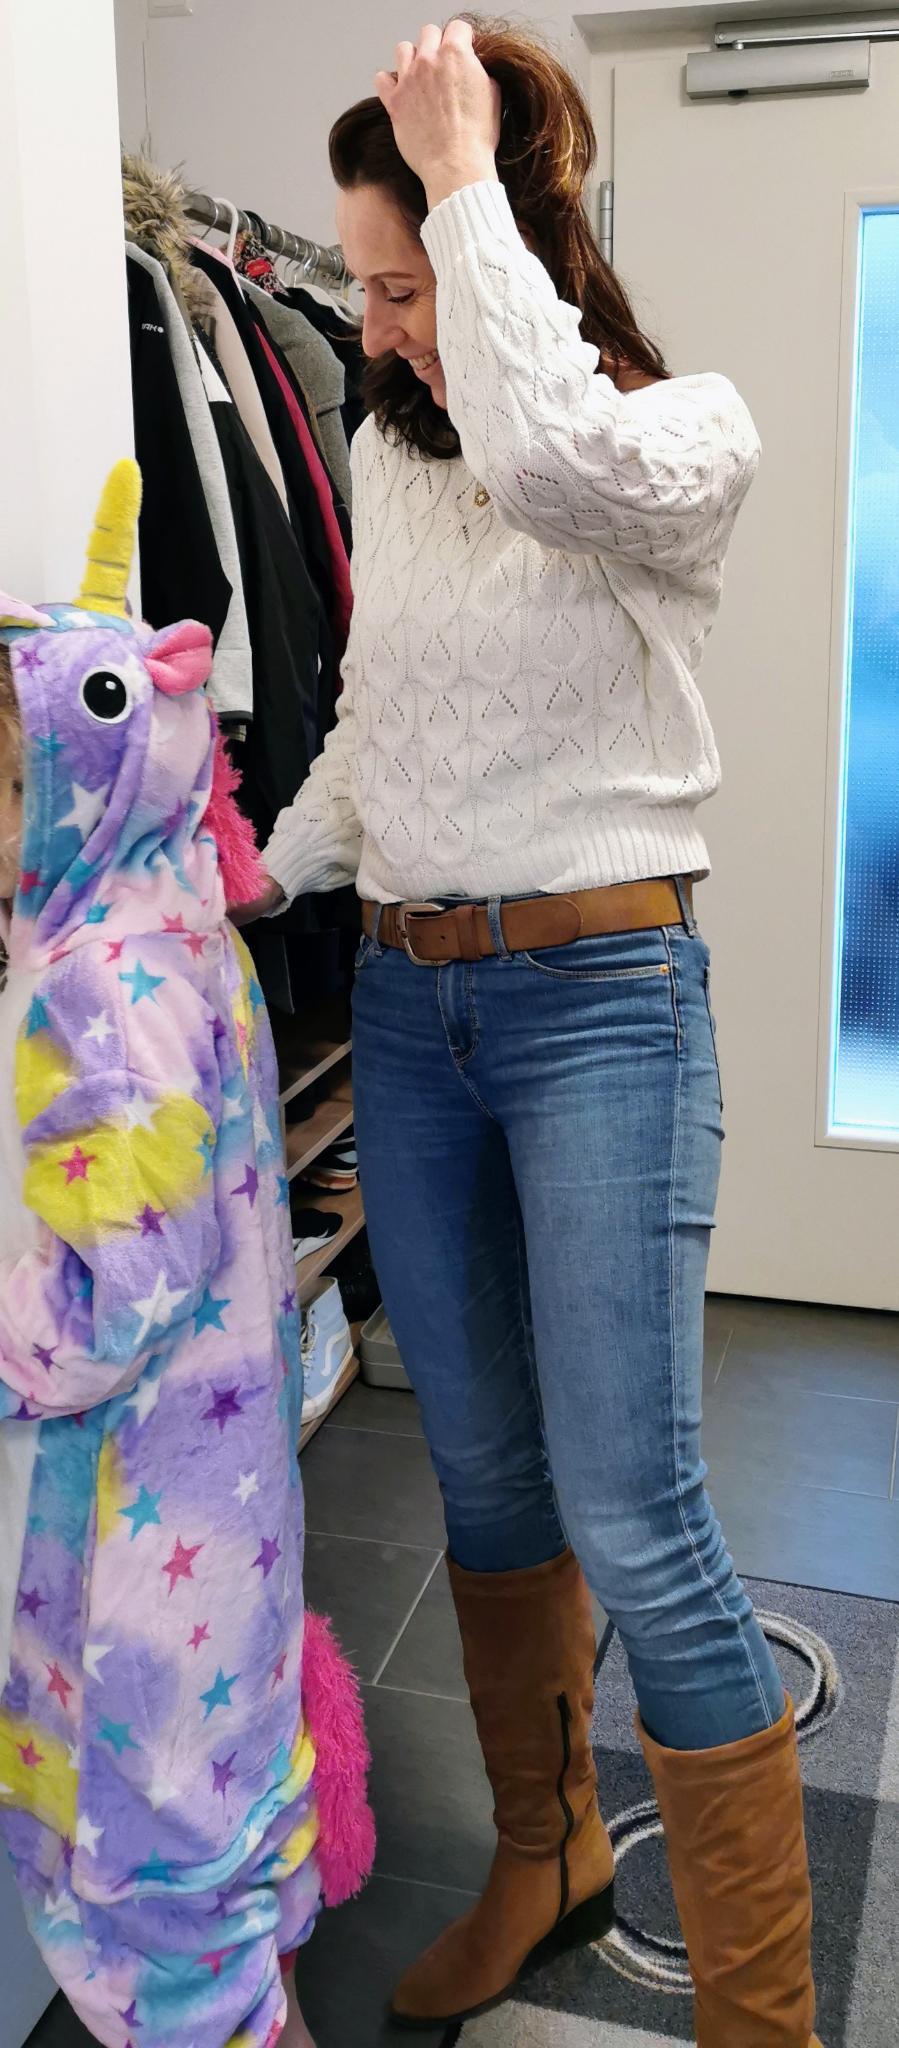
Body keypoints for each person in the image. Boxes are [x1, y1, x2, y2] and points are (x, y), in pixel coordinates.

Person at [239, 17, 821, 2044]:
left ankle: (762, 2014)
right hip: (413, 1015)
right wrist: (252, 877)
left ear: (512, 237)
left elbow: (548, 453)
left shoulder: (680, 439)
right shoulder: (393, 470)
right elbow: (373, 733)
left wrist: (466, 177)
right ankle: (547, 1856)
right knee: (485, 1478)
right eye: (364, 287)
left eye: (400, 282)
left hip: (602, 1010)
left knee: (639, 1513)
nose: (376, 329)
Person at [0, 462, 373, 2048]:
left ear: (69, 792)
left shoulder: (94, 985)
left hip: (145, 1494)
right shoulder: (183, 925)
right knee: (220, 1786)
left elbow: (118, 1285)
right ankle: (255, 1998)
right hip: (226, 1483)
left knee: (150, 1821)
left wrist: (13, 1341)